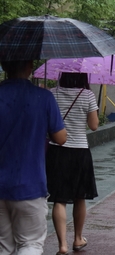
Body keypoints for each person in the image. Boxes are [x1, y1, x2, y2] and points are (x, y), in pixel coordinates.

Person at [0, 60, 67, 255]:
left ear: (4, 66)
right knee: (30, 244)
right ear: (30, 66)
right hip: (30, 185)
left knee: (3, 246)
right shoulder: (44, 97)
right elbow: (61, 138)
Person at [47, 73, 99, 255]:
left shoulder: (52, 93)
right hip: (80, 151)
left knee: (59, 199)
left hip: (56, 150)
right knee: (79, 197)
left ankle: (62, 245)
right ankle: (78, 238)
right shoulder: (87, 95)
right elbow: (94, 125)